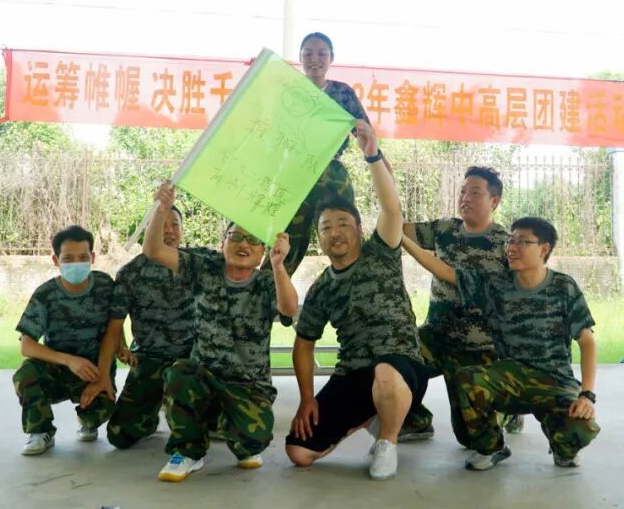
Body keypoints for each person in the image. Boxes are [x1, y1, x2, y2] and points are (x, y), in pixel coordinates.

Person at [285, 120, 428, 481]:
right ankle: (370, 415)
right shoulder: (321, 288)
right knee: (299, 451)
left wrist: (372, 155)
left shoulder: (381, 253)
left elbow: (392, 210)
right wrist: (307, 399)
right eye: (326, 227)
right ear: (319, 238)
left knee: (386, 374)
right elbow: (303, 345)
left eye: (343, 224)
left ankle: (387, 441)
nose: (335, 232)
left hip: (401, 365)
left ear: (359, 229)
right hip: (354, 371)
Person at [401, 217, 600, 471]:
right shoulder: (496, 285)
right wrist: (402, 240)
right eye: (511, 241)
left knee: (580, 428)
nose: (512, 248)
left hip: (554, 381)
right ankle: (492, 447)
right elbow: (446, 272)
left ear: (544, 249)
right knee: (468, 379)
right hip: (509, 376)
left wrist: (587, 395)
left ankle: (562, 446)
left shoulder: (564, 286)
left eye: (522, 242)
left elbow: (587, 341)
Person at [143, 181, 300, 482]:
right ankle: (189, 452)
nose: (243, 245)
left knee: (253, 440)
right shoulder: (204, 269)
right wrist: (161, 210)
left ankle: (228, 427)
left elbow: (290, 309)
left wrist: (279, 266)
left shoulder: (267, 282)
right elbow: (153, 250)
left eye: (253, 241)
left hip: (247, 385)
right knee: (178, 374)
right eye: (235, 237)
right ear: (222, 243)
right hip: (204, 376)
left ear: (262, 253)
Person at [398, 166, 523, 444]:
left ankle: (508, 409)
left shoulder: (504, 245)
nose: (465, 198)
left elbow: (451, 275)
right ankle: (415, 420)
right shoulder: (444, 229)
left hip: (478, 350)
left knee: (470, 439)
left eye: (475, 192)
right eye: (463, 191)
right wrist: (379, 164)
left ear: (494, 201)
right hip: (436, 338)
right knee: (394, 361)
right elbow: (396, 225)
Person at [79, 205, 200, 451]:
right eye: (162, 224)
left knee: (196, 412)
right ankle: (151, 417)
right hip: (150, 359)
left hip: (193, 360)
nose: (169, 230)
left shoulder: (199, 264)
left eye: (175, 224)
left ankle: (198, 415)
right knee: (119, 436)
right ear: (149, 230)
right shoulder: (130, 273)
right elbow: (114, 326)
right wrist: (103, 375)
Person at [12, 225, 117, 456]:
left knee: (103, 408)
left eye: (83, 257)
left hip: (94, 370)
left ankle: (88, 421)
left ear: (93, 258)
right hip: (57, 369)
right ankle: (40, 431)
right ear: (55, 260)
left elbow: (114, 328)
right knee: (26, 373)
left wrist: (105, 373)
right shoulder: (46, 294)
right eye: (68, 258)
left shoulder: (105, 286)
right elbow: (26, 345)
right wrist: (69, 360)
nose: (76, 263)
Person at [279, 32, 370, 275]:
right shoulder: (289, 93)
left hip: (332, 175)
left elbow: (365, 134)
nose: (315, 59)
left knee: (344, 235)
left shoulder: (343, 93)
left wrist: (379, 165)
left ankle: (353, 289)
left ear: (331, 58)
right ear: (300, 58)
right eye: (308, 53)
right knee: (288, 242)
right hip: (295, 175)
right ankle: (273, 294)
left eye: (321, 53)